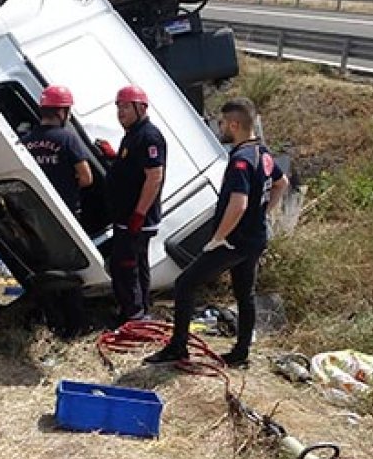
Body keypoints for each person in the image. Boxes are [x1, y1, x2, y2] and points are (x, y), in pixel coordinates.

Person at [145, 98, 288, 367]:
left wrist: (218, 238)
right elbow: (282, 183)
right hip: (255, 238)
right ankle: (241, 352)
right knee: (245, 294)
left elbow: (239, 203)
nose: (219, 127)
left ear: (234, 124)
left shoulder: (241, 161)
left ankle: (178, 347)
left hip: (234, 241)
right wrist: (262, 214)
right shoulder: (263, 153)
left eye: (222, 123)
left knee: (185, 284)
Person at [21, 85, 93, 337]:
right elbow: (86, 178)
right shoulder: (67, 139)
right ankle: (75, 326)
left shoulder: (26, 141)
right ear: (63, 112)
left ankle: (52, 322)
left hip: (35, 215)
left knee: (45, 269)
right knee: (69, 270)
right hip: (65, 215)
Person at [106, 84, 165, 322]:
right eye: (118, 107)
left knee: (126, 265)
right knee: (136, 264)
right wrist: (113, 157)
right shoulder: (132, 135)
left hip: (136, 217)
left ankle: (134, 315)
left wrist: (139, 214)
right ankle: (139, 310)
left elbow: (154, 175)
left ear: (140, 107)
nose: (121, 112)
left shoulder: (148, 136)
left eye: (125, 107)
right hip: (126, 215)